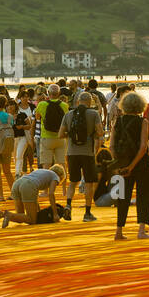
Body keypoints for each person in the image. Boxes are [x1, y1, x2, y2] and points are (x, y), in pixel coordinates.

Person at [111, 89, 149, 240]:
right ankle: (141, 231)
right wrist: (132, 166)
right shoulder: (143, 122)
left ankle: (119, 231)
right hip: (140, 164)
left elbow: (111, 146)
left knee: (122, 197)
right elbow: (143, 147)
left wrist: (119, 166)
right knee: (144, 194)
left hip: (122, 162)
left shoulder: (117, 121)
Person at [59, 91, 102, 222]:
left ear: (77, 101)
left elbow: (61, 134)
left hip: (72, 152)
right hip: (88, 153)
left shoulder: (69, 114)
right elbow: (100, 132)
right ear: (90, 102)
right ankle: (87, 213)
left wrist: (72, 135)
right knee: (89, 183)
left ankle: (68, 205)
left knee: (73, 181)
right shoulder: (94, 114)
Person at [0, 164, 68, 227]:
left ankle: (2, 214)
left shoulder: (43, 172)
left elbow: (34, 197)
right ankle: (8, 215)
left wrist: (37, 210)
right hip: (28, 185)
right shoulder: (55, 176)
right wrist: (55, 214)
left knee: (20, 215)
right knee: (32, 220)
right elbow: (51, 194)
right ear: (60, 176)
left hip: (17, 183)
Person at [36, 84, 69, 169]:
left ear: (48, 92)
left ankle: (47, 181)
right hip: (60, 137)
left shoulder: (42, 104)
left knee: (46, 164)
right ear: (59, 93)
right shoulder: (64, 105)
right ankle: (63, 181)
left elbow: (37, 117)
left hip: (46, 137)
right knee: (61, 164)